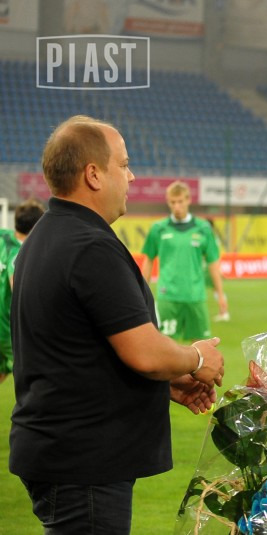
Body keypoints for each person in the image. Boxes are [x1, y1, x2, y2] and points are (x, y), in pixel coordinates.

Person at [9, 115, 225, 533]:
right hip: (85, 461)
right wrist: (197, 358)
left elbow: (75, 349)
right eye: (124, 165)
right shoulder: (89, 245)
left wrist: (163, 384)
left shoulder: (44, 236)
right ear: (93, 175)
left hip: (61, 451)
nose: (132, 176)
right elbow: (144, 352)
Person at [142, 181, 228, 341]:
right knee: (166, 347)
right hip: (168, 297)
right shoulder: (158, 229)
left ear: (188, 200)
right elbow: (148, 261)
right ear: (168, 202)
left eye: (180, 201)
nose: (177, 206)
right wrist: (142, 292)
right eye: (173, 202)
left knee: (202, 347)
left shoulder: (203, 229)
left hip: (195, 297)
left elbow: (213, 264)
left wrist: (220, 295)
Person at [0, 199, 45, 384]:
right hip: (5, 329)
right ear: (36, 228)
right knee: (39, 367)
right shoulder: (21, 253)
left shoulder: (3, 236)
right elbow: (17, 286)